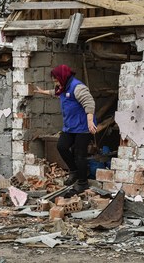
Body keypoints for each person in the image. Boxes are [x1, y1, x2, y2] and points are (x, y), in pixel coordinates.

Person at [34, 64, 97, 196]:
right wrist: (42, 92)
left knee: (80, 155)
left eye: (56, 80)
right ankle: (74, 171)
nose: (55, 82)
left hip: (83, 127)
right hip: (70, 126)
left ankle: (82, 182)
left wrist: (90, 122)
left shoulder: (77, 87)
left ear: (62, 77)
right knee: (62, 146)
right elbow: (56, 93)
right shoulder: (63, 87)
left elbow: (89, 103)